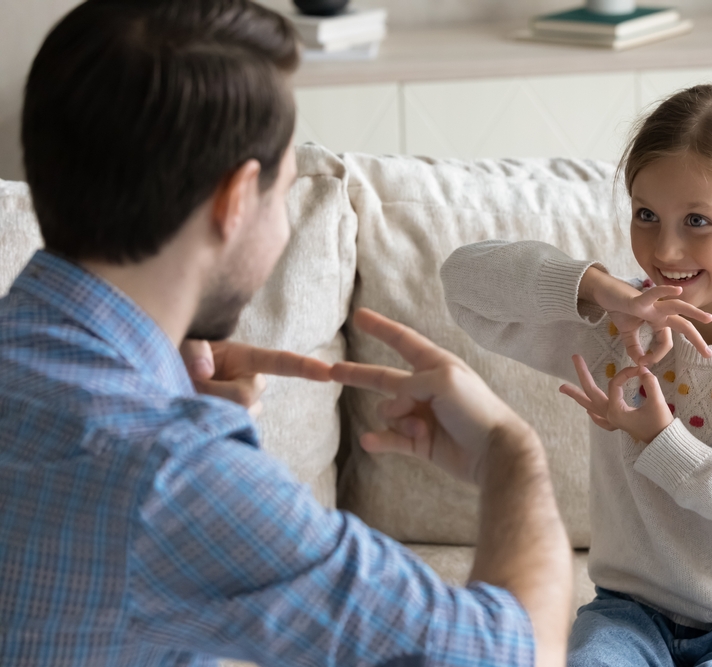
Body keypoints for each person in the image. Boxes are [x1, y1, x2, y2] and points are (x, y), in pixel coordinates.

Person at [0, 1, 572, 665]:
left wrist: (161, 382)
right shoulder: (175, 477)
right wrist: (512, 450)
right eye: (284, 195)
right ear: (236, 198)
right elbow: (516, 651)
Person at [440, 85, 712, 667]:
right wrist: (595, 288)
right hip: (632, 614)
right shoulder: (615, 328)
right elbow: (463, 284)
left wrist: (663, 443)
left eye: (697, 220)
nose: (666, 249)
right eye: (647, 215)